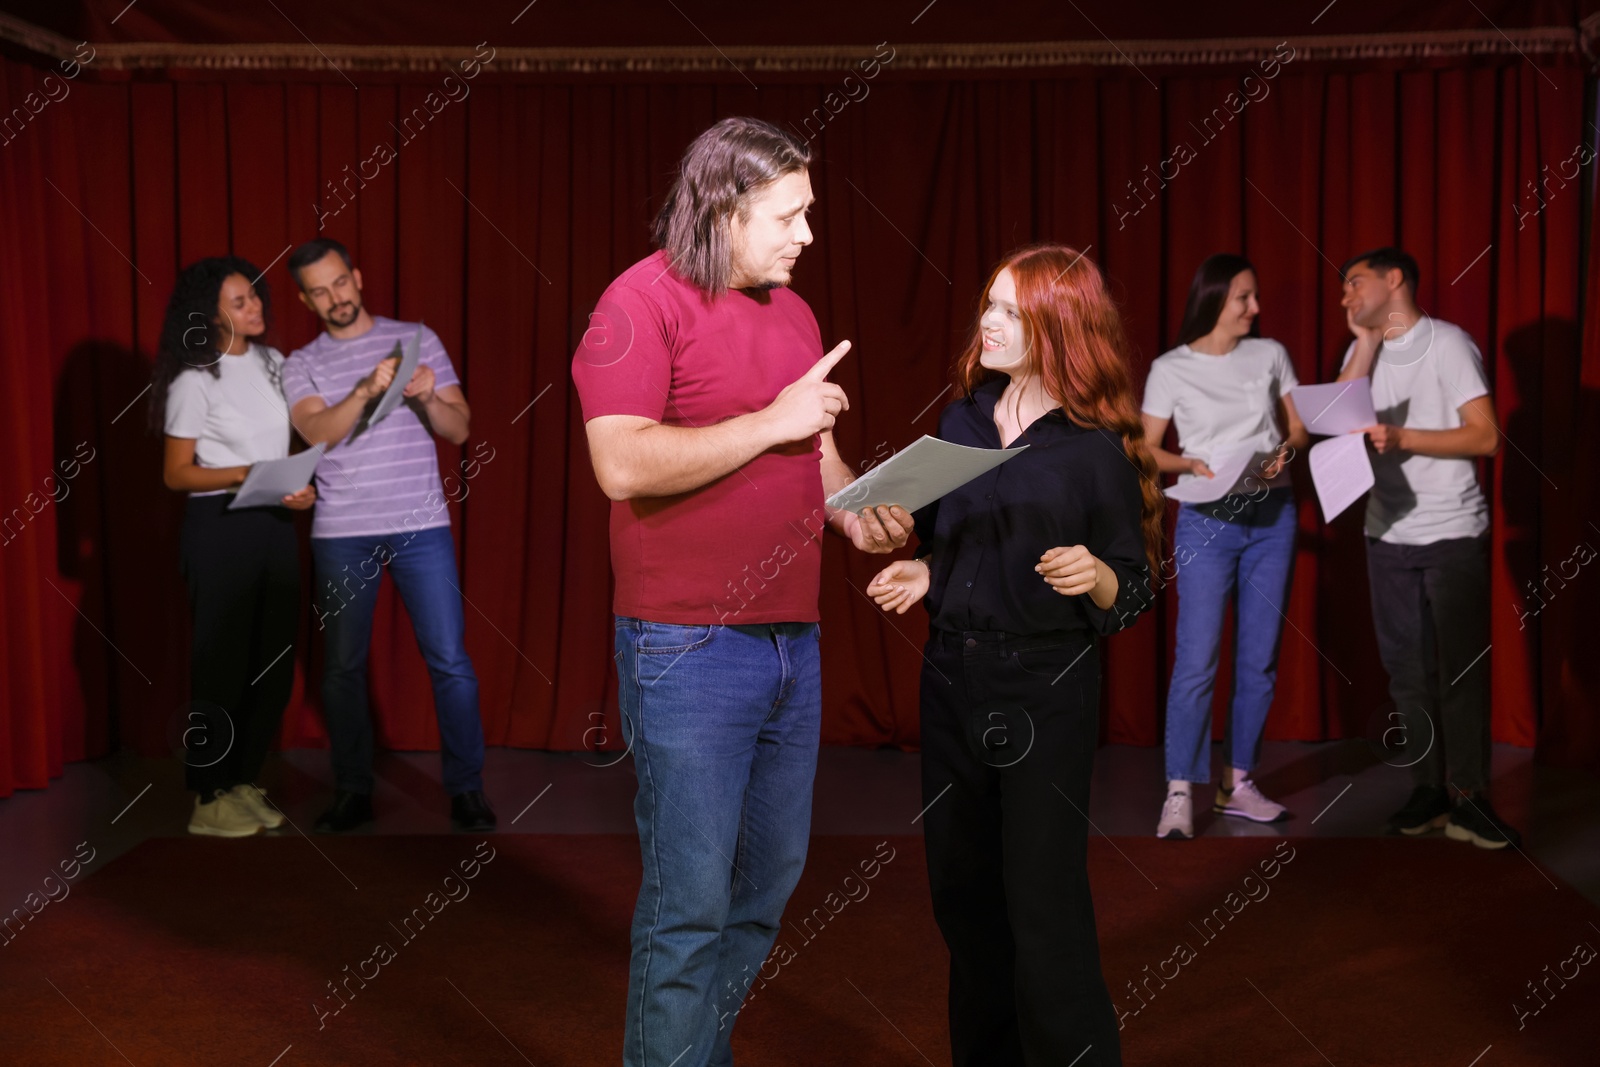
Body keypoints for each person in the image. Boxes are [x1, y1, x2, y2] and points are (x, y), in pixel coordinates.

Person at [571, 116, 911, 1067]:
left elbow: (817, 450)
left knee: (764, 888)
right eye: (790, 214)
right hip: (683, 647)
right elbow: (621, 463)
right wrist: (774, 421)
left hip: (789, 642)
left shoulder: (792, 310)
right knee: (689, 907)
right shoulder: (638, 303)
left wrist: (856, 509)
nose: (808, 234)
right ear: (723, 207)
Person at [868, 245, 1161, 1066]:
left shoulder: (1093, 450)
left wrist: (1098, 573)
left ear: (1057, 326)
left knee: (1043, 904)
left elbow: (1133, 592)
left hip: (1045, 688)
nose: (987, 323)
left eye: (1008, 311)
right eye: (988, 306)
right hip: (952, 676)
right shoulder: (960, 421)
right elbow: (945, 539)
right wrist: (920, 565)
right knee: (962, 898)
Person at [280, 238, 494, 834]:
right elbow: (316, 430)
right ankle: (353, 790)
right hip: (342, 531)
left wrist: (426, 393)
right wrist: (366, 391)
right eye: (319, 292)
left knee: (450, 661)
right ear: (305, 299)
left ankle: (467, 790)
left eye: (339, 283)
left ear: (358, 276)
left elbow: (459, 428)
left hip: (420, 525)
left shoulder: (417, 340)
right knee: (342, 668)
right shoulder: (301, 363)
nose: (334, 298)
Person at [1336, 247, 1517, 849]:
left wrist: (1404, 436)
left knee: (1459, 672)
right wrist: (1362, 342)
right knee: (1406, 674)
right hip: (1385, 536)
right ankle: (1429, 789)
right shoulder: (1361, 354)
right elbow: (1335, 423)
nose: (1344, 296)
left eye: (1354, 283)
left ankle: (1472, 799)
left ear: (1395, 280)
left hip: (1452, 533)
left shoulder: (1448, 343)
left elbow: (1488, 436)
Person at [1140, 254, 1309, 839]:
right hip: (1206, 521)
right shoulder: (1170, 368)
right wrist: (1188, 461)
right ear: (1214, 299)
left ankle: (1239, 783)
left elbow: (1298, 428)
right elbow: (1144, 449)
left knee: (1259, 658)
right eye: (1244, 298)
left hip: (1273, 514)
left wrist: (1282, 454)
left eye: (1254, 297)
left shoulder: (1271, 355)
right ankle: (1180, 789)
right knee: (1197, 659)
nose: (1255, 309)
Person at [150, 256, 315, 837]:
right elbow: (175, 474)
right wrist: (251, 472)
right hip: (218, 529)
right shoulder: (195, 378)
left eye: (256, 297)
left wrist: (294, 487)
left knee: (271, 665)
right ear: (209, 312)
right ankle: (207, 795)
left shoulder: (275, 364)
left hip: (273, 524)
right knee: (220, 665)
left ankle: (242, 779)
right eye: (241, 300)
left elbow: (295, 442)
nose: (256, 307)